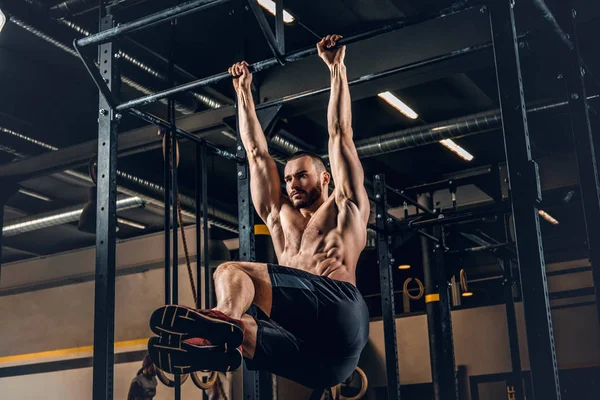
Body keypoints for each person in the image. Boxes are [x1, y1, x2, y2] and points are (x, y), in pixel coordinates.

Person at [147, 34, 370, 390]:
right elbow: (255, 152)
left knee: (230, 269)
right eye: (288, 178)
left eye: (301, 175)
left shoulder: (345, 205)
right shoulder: (279, 217)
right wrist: (243, 92)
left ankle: (219, 320)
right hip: (323, 366)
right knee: (244, 330)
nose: (293, 183)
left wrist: (335, 68)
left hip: (341, 310)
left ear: (324, 177)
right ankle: (218, 336)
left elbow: (340, 133)